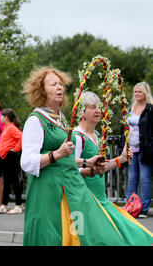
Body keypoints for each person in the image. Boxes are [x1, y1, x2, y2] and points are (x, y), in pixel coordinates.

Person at [20, 66, 127, 246]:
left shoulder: (60, 117)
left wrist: (86, 161)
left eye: (61, 84)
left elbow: (66, 156)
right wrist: (56, 154)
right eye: (53, 84)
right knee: (52, 237)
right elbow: (27, 162)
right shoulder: (35, 120)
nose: (59, 87)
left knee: (92, 234)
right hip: (48, 190)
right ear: (41, 90)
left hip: (70, 187)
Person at [73, 91, 152, 245]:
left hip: (101, 199)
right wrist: (89, 169)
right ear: (82, 113)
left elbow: (100, 168)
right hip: (86, 202)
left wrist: (121, 159)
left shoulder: (96, 134)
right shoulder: (77, 136)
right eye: (93, 108)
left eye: (99, 107)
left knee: (133, 234)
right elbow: (72, 168)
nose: (98, 111)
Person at [125, 82, 153, 218]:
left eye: (139, 92)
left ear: (145, 93)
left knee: (145, 178)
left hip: (145, 149)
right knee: (132, 178)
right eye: (135, 92)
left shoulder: (150, 109)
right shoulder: (131, 108)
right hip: (131, 148)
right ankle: (131, 206)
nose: (136, 94)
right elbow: (125, 128)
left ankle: (144, 208)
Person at [0, 108, 24, 214]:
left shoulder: (11, 128)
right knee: (7, 182)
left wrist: (15, 149)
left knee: (15, 181)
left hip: (11, 157)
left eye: (2, 116)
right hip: (5, 157)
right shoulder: (6, 128)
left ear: (6, 117)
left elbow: (22, 137)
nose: (0, 118)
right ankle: (4, 205)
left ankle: (18, 205)